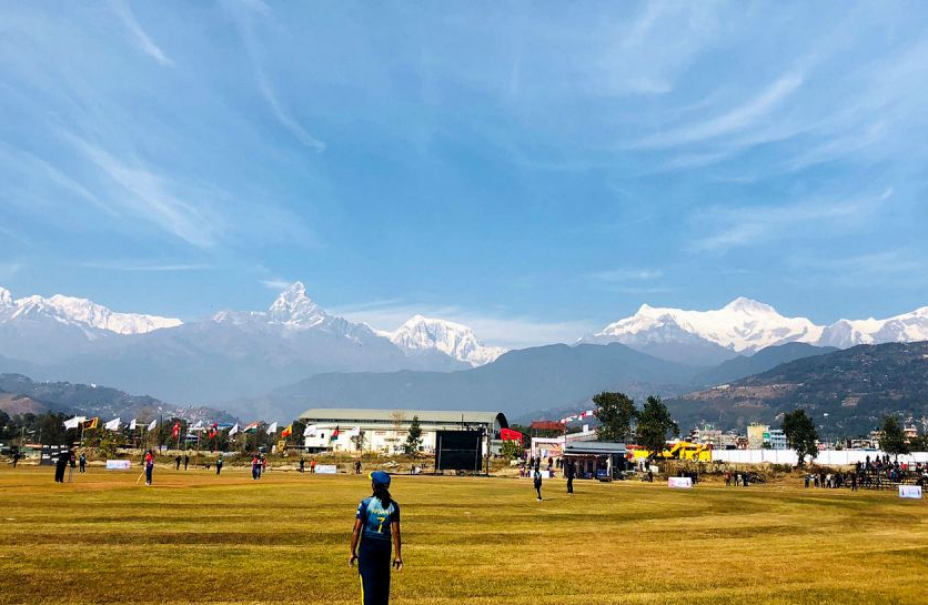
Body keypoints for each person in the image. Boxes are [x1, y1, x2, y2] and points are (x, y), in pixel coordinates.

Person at [350, 471, 402, 605]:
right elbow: (396, 532)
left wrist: (352, 552)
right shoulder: (393, 506)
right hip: (384, 548)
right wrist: (398, 556)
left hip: (368, 547)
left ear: (373, 485)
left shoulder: (365, 503)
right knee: (382, 586)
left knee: (368, 585)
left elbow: (356, 530)